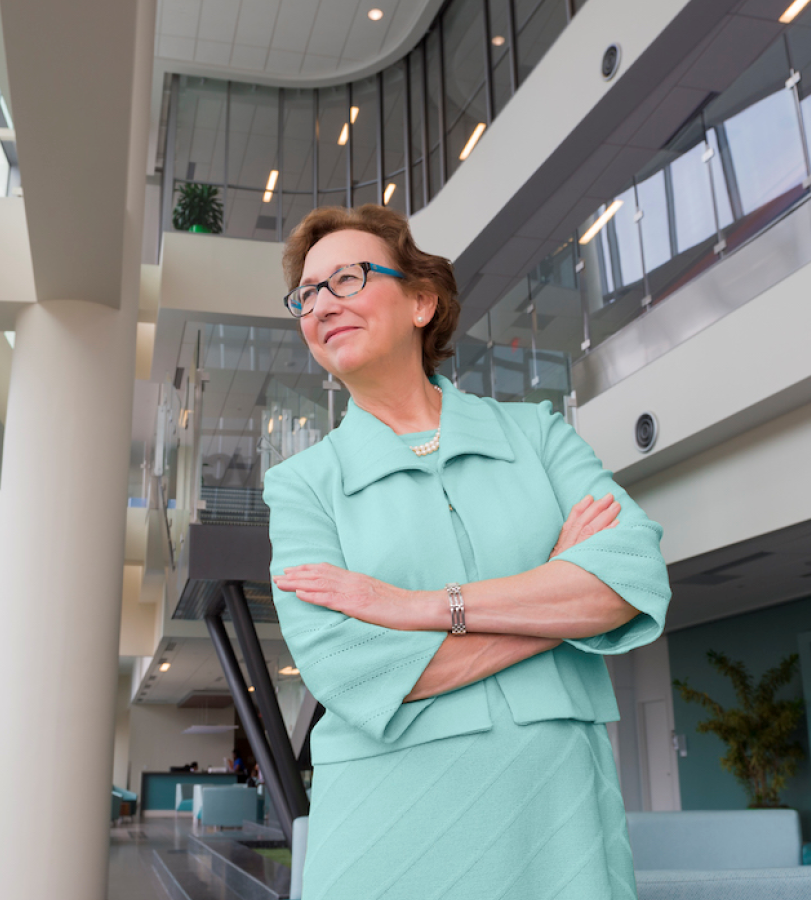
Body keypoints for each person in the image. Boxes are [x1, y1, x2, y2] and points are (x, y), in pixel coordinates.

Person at [266, 205, 670, 900]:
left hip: (558, 822)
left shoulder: (537, 434)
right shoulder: (301, 484)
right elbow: (347, 670)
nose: (321, 305)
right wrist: (553, 595)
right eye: (306, 294)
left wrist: (418, 608)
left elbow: (628, 580)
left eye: (347, 279)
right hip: (382, 833)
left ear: (422, 302)